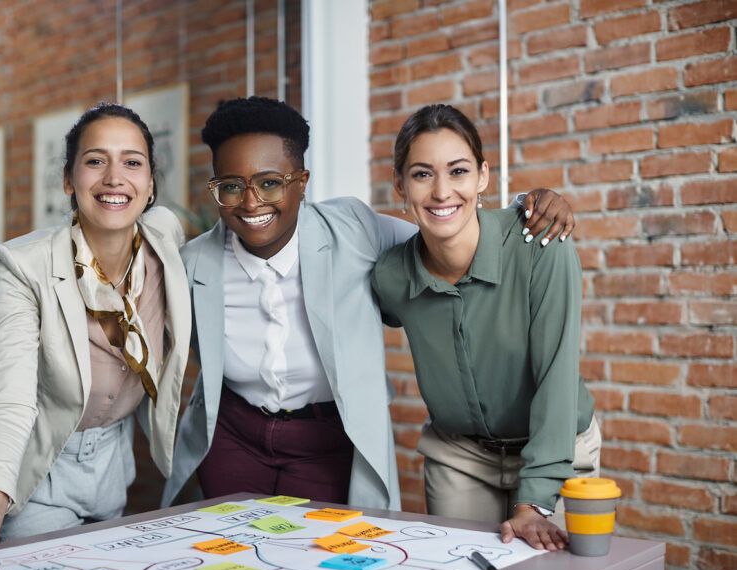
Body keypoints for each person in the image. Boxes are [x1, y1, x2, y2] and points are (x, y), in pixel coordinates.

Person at [162, 96, 577, 511]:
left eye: (269, 182)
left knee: (318, 556)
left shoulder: (354, 231)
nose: (251, 202)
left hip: (323, 439)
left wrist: (528, 205)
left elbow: (446, 233)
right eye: (231, 186)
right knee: (231, 553)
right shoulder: (194, 263)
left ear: (301, 181)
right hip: (235, 438)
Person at [0, 102, 191, 558]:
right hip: (40, 467)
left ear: (149, 184)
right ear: (69, 180)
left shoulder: (165, 239)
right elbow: (10, 395)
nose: (113, 177)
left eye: (132, 162)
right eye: (95, 161)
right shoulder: (23, 265)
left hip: (114, 464)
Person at [371, 104, 601, 551]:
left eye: (458, 171)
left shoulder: (541, 246)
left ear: (483, 177)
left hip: (558, 449)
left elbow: (557, 380)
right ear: (400, 185)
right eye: (422, 175)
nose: (441, 192)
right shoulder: (391, 277)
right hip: (459, 457)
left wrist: (533, 503)